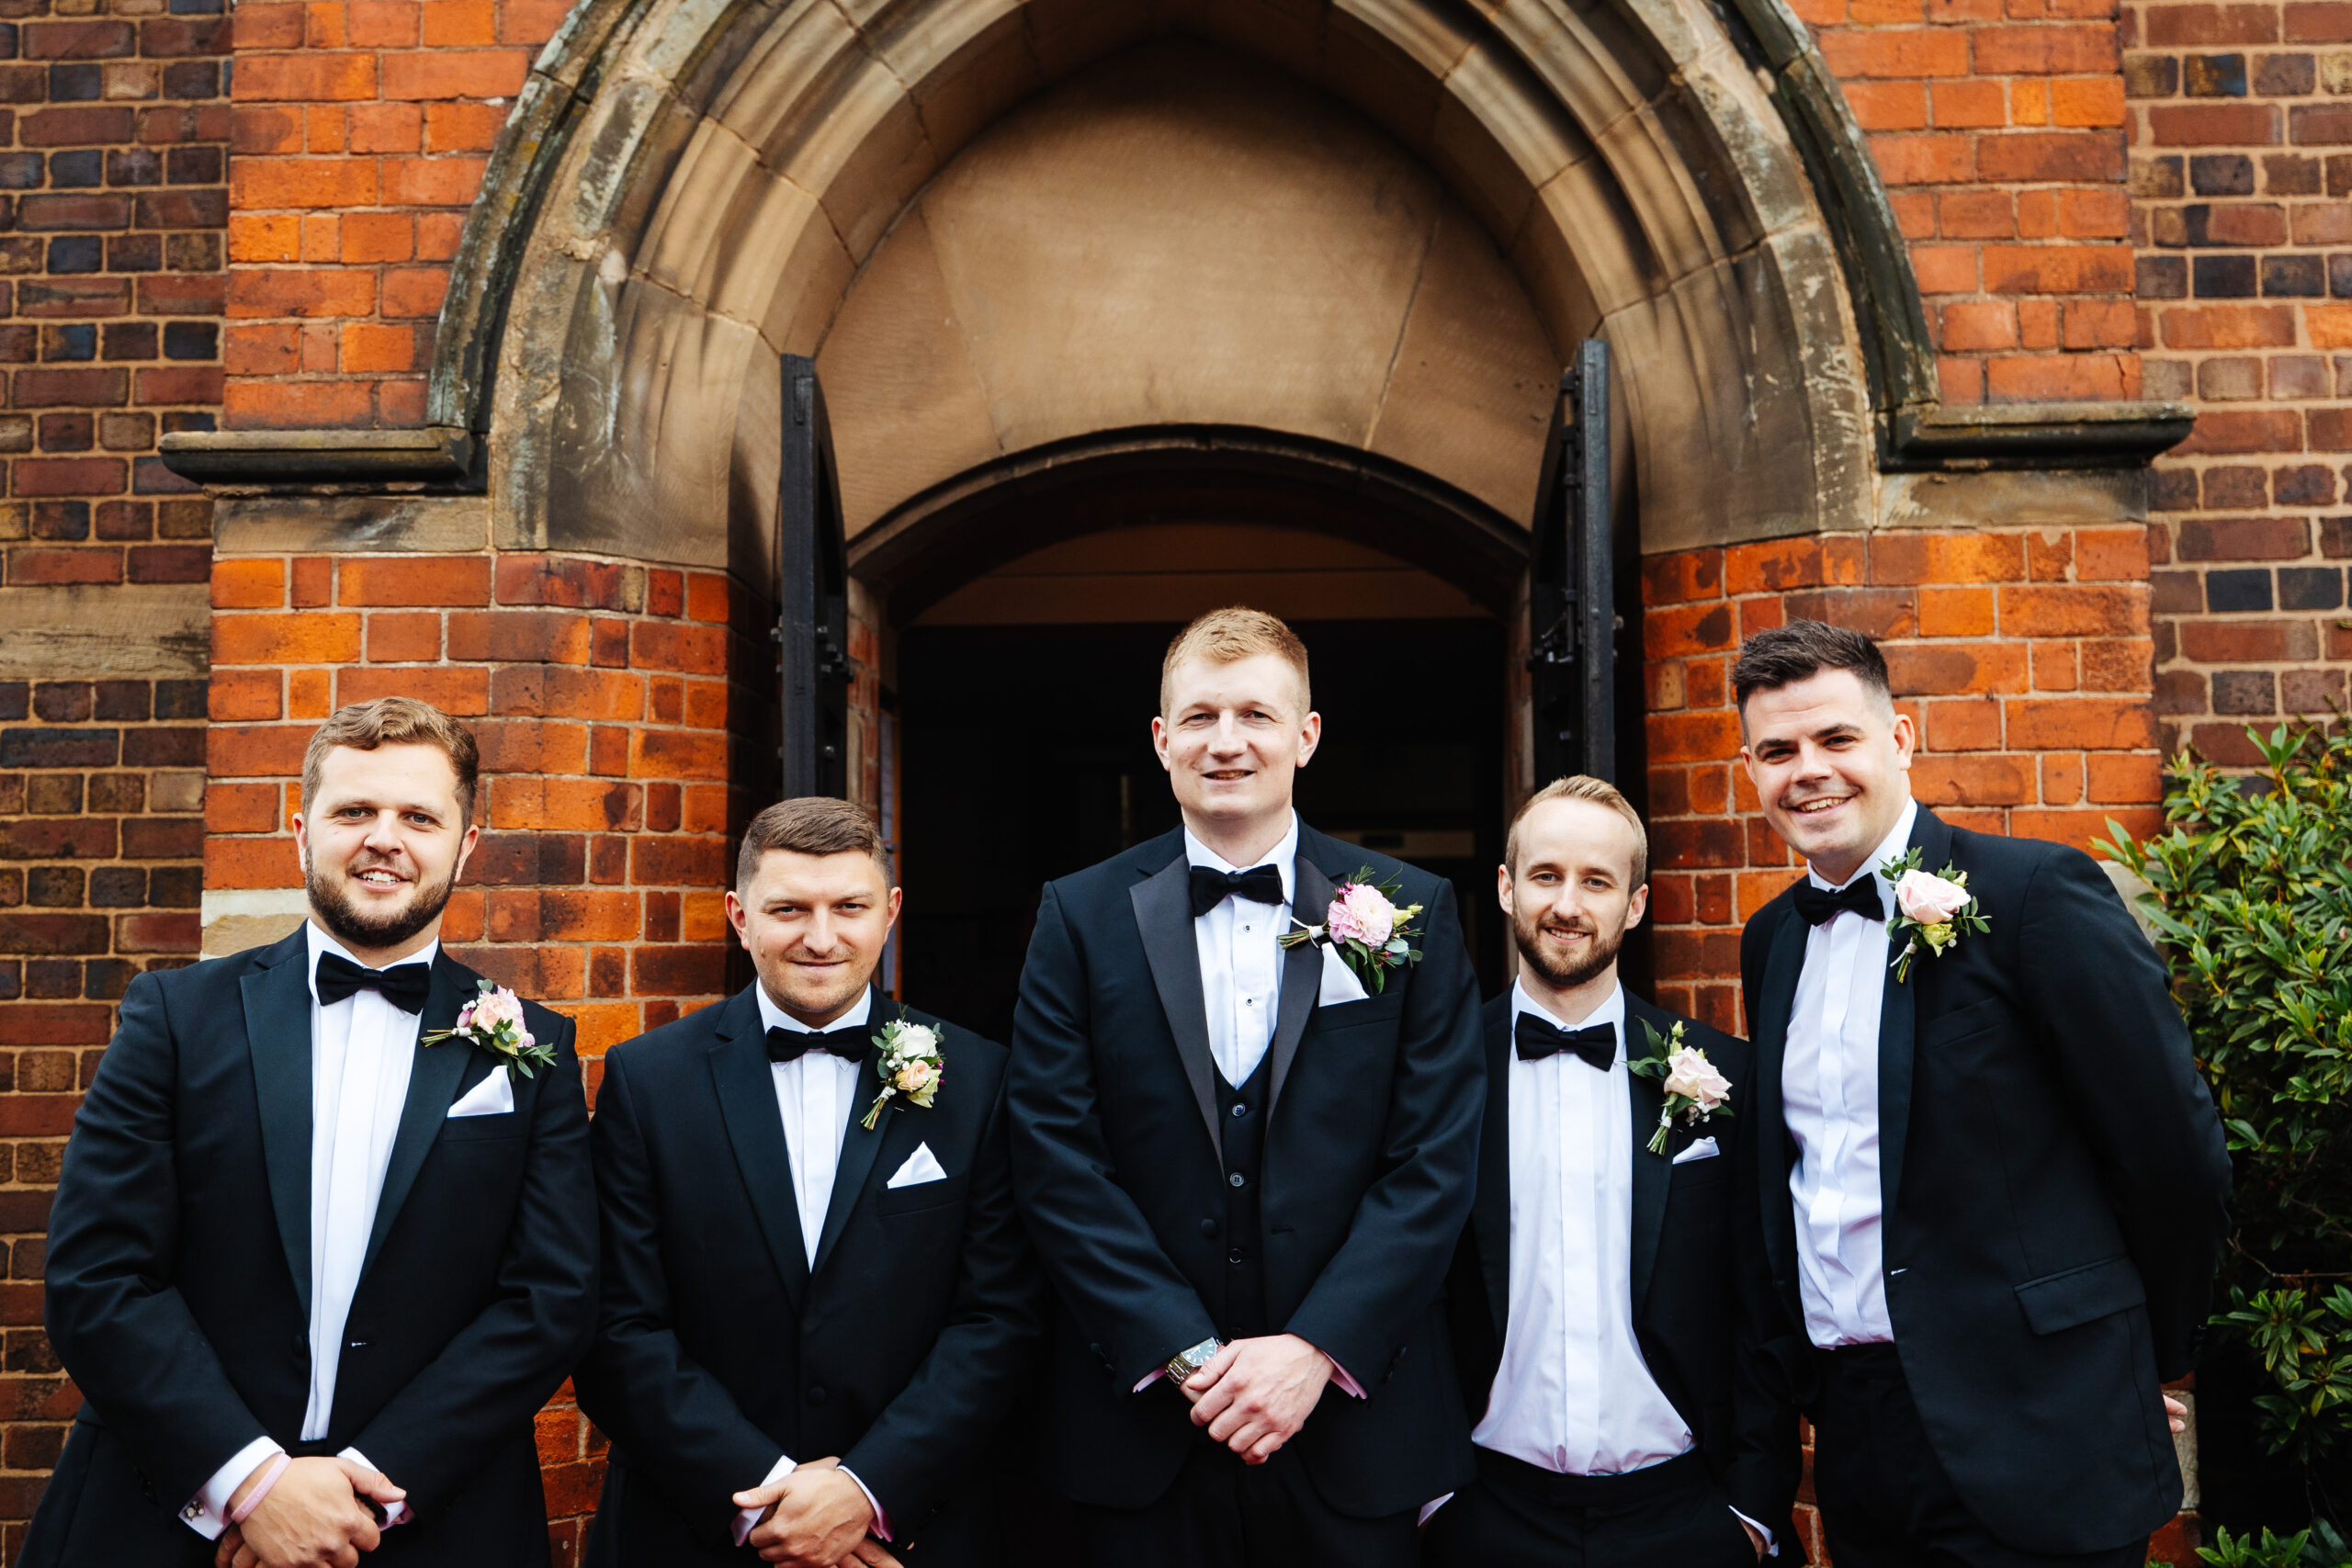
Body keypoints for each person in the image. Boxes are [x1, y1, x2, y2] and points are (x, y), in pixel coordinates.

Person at [26, 697, 597, 1568]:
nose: (384, 838)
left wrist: (359, 1488)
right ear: (300, 829)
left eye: (418, 816)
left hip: (432, 1524)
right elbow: (95, 1275)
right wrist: (254, 1485)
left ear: (466, 843)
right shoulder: (174, 1019)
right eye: (353, 811)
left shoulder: (537, 1048)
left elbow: (549, 1300)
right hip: (165, 1518)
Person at [1732, 620, 2231, 1568]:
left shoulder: (2035, 894)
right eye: (1776, 750)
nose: (1808, 770)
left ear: (1900, 740)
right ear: (1751, 768)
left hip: (2039, 1419)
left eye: (1836, 739)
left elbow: (2173, 1155)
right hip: (1853, 1429)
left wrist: (2131, 1358)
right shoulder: (1773, 942)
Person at [1008, 606, 1485, 1568]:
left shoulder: (1410, 909)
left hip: (1354, 1430)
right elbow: (1054, 1153)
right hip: (1139, 1433)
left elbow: (1433, 1159)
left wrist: (1315, 1349)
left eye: (1257, 716)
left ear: (1305, 736)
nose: (1227, 742)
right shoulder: (1076, 913)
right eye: (1200, 717)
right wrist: (1183, 1353)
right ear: (1161, 739)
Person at [575, 796, 1042, 1568]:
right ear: (739, 914)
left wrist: (866, 1488)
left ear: (889, 911)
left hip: (905, 1535)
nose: (820, 937)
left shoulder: (981, 1078)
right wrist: (765, 1494)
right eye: (788, 908)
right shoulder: (646, 1081)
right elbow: (616, 1327)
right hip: (693, 1533)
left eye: (848, 906)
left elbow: (999, 1318)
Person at [1429, 774, 1790, 1568]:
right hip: (1483, 1514)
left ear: (1634, 902)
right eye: (1546, 875)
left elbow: (1760, 1302)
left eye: (1596, 881)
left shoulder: (1723, 1074)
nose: (1567, 904)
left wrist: (1751, 1510)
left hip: (1684, 1517)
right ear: (1505, 887)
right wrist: (1432, 1502)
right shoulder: (1434, 1072)